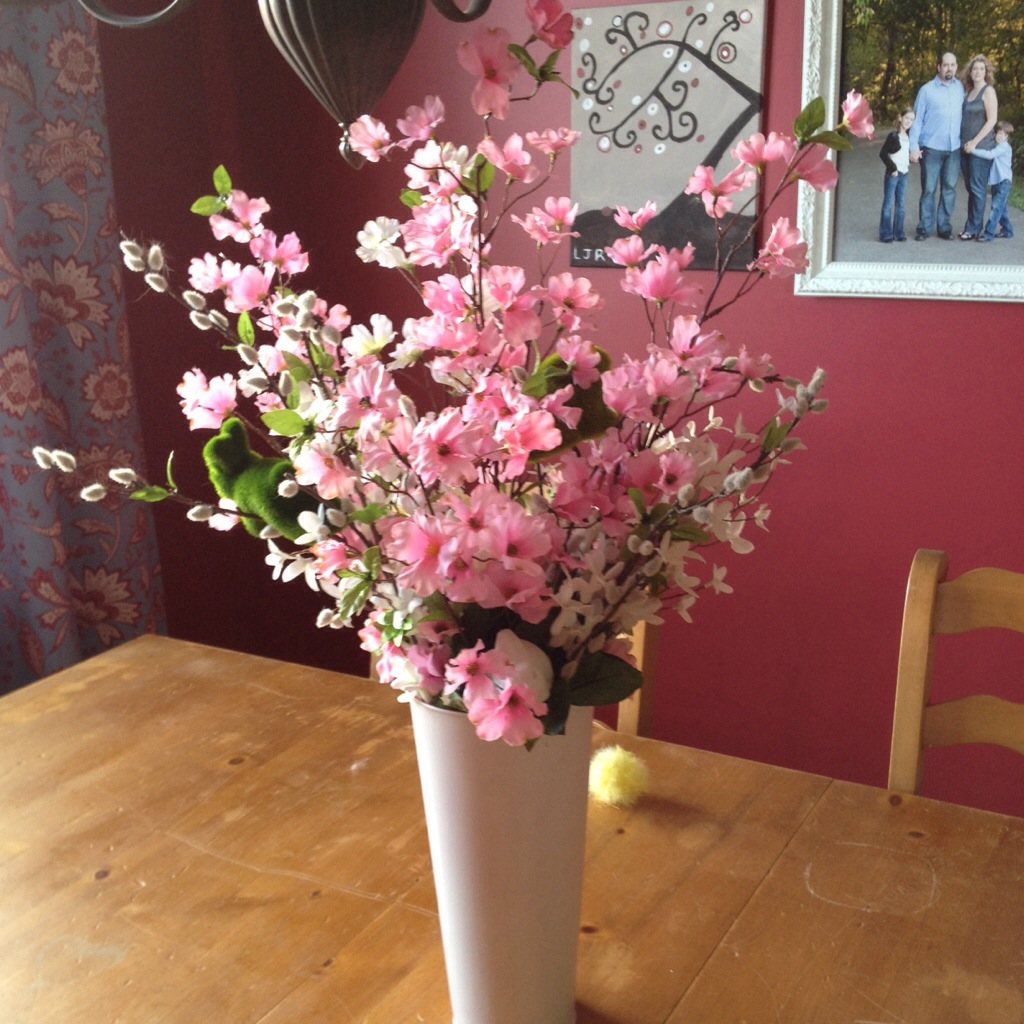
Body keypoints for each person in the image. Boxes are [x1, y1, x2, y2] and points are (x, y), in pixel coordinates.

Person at [909, 52, 965, 240]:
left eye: (953, 65)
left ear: (956, 67)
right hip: (931, 148)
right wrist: (913, 147)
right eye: (946, 65)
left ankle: (944, 228)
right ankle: (924, 228)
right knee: (929, 189)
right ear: (939, 67)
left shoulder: (960, 88)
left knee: (949, 189)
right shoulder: (926, 90)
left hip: (954, 148)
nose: (949, 68)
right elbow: (917, 120)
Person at [958, 55, 998, 240]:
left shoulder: (988, 91)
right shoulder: (968, 93)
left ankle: (973, 228)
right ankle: (972, 225)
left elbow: (992, 121)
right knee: (970, 187)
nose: (978, 72)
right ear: (970, 71)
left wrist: (974, 142)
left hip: (980, 148)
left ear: (986, 72)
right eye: (975, 68)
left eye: (981, 69)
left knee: (977, 188)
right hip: (965, 148)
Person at [970, 121, 1014, 242]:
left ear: (1008, 138)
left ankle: (988, 234)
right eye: (999, 133)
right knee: (1001, 208)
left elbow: (990, 155)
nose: (1001, 136)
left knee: (996, 208)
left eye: (1004, 135)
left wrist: (973, 150)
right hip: (997, 181)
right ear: (994, 134)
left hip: (1004, 182)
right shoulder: (997, 145)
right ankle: (1007, 230)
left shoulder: (1004, 147)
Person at [879, 107, 915, 242]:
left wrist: (913, 158)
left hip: (904, 173)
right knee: (888, 204)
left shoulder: (910, 137)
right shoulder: (894, 136)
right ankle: (886, 234)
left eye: (911, 119)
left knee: (900, 204)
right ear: (900, 118)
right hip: (893, 174)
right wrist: (892, 168)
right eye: (906, 118)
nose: (908, 121)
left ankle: (898, 232)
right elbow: (883, 154)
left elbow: (906, 154)